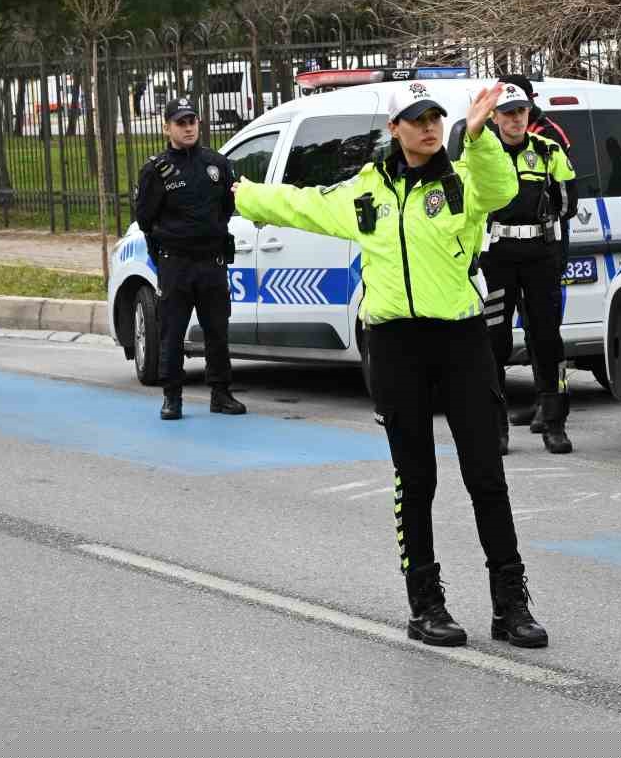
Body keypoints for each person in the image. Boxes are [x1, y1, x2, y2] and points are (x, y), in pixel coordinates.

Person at [233, 81, 549, 650]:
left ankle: (511, 604)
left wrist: (476, 138)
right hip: (395, 346)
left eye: (435, 117)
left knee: (485, 474)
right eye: (415, 118)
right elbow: (302, 205)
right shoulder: (366, 191)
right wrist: (237, 193)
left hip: (460, 341)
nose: (428, 126)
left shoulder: (463, 181)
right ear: (393, 129)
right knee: (416, 478)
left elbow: (501, 190)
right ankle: (426, 605)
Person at [480, 83, 579, 454]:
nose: (515, 119)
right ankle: (495, 427)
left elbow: (567, 201)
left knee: (546, 337)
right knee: (494, 341)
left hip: (539, 253)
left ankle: (554, 422)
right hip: (497, 255)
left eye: (520, 112)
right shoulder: (483, 153)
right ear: (494, 118)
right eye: (507, 113)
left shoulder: (547, 150)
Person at [134, 97, 244, 422]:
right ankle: (173, 397)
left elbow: (226, 208)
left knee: (217, 330)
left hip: (211, 261)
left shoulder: (217, 164)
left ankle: (221, 393)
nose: (188, 127)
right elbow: (145, 219)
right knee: (172, 331)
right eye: (180, 122)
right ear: (167, 127)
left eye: (192, 120)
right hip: (176, 263)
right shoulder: (156, 169)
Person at [499, 73, 573, 152]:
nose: (517, 118)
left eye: (519, 108)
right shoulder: (493, 135)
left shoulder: (548, 135)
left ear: (529, 104)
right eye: (507, 111)